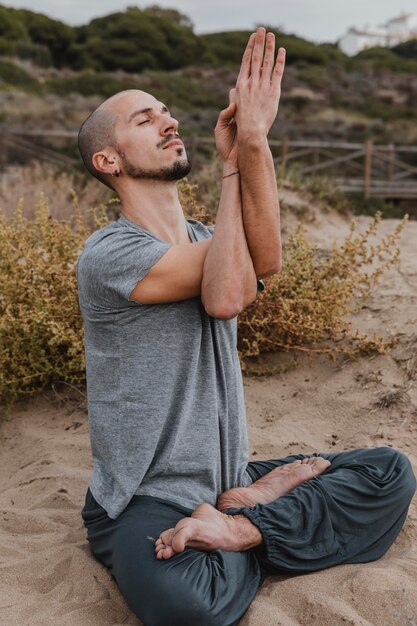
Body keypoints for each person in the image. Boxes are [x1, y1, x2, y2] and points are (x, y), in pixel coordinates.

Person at [76, 27, 416, 626]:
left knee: (389, 471)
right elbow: (228, 293)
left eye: (167, 112)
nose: (168, 122)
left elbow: (267, 261)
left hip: (228, 476)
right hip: (147, 499)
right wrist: (235, 166)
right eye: (144, 120)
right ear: (110, 160)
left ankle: (240, 520)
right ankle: (257, 526)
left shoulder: (211, 238)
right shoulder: (109, 256)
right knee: (191, 608)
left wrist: (254, 142)